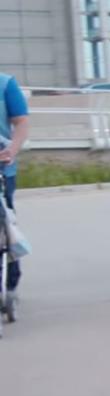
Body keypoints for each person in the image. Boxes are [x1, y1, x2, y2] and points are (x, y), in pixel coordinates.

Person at [0, 71, 29, 298]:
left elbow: (21, 121)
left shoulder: (6, 83)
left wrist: (13, 149)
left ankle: (10, 282)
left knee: (4, 223)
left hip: (2, 167)